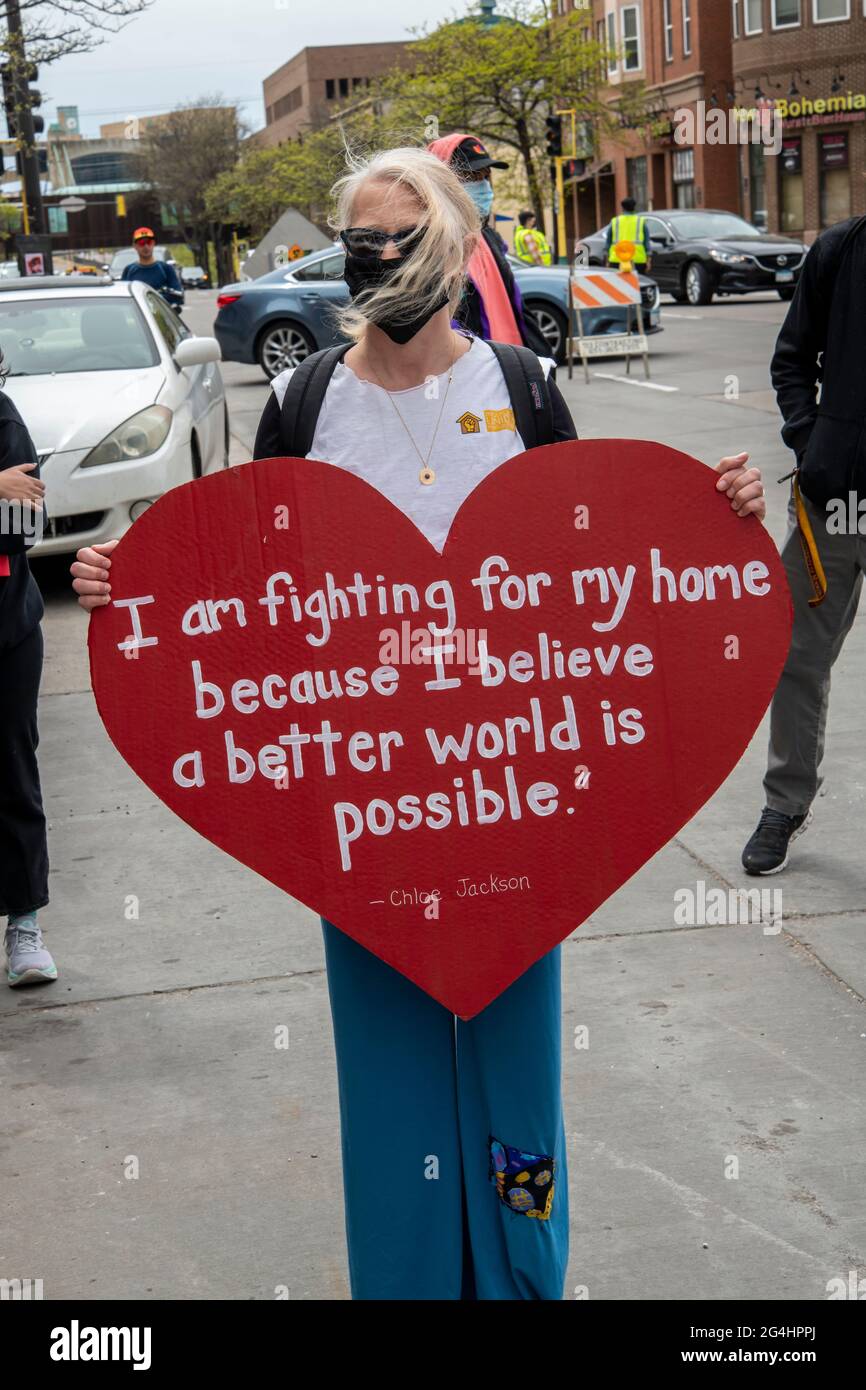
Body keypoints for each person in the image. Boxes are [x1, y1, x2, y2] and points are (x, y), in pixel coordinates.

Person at [72, 146, 766, 1299]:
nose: (381, 258)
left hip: (513, 798)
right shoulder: (304, 404)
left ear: (453, 246)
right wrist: (131, 584)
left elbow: (593, 561)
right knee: (389, 1070)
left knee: (516, 1073)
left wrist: (714, 513)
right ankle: (402, 1280)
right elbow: (245, 590)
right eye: (362, 240)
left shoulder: (520, 387)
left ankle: (522, 1272)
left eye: (405, 236)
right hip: (366, 809)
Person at [742, 213, 866, 875]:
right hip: (834, 502)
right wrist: (812, 444)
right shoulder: (840, 251)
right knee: (796, 656)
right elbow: (792, 360)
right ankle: (785, 803)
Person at [0, 353, 56, 987]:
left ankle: (24, 923)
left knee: (12, 771)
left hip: (7, 631)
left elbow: (20, 527)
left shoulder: (4, 422)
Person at [427, 132, 552, 359]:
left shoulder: (488, 239)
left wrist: (538, 362)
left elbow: (518, 311)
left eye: (485, 175)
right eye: (470, 176)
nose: (483, 186)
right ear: (440, 182)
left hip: (508, 371)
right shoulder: (427, 249)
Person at [121, 228, 184, 311]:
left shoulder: (166, 269)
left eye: (149, 242)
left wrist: (156, 299)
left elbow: (178, 296)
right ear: (135, 246)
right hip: (139, 318)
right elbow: (124, 299)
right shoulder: (129, 270)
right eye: (141, 243)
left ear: (153, 243)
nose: (146, 246)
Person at [606, 196, 651, 269]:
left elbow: (608, 242)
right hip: (637, 260)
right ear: (634, 208)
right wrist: (648, 260)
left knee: (617, 281)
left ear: (622, 208)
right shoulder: (640, 221)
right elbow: (647, 243)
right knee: (637, 280)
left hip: (617, 259)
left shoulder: (615, 221)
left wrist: (607, 259)